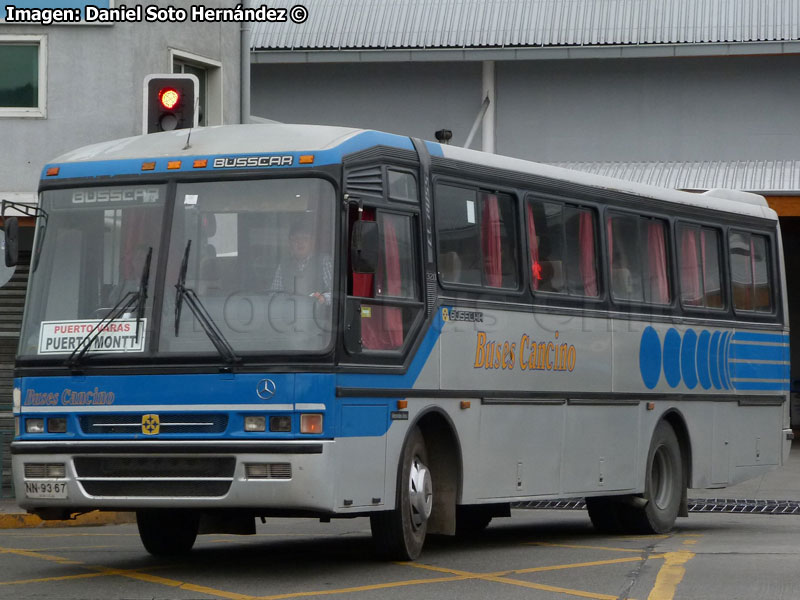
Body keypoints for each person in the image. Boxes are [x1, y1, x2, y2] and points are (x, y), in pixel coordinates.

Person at [271, 220, 332, 304]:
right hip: (289, 314)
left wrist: (323, 298)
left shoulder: (324, 262)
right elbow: (274, 295)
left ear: (312, 242)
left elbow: (335, 293)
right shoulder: (283, 265)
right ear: (290, 243)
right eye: (295, 239)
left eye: (305, 238)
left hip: (318, 315)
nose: (300, 242)